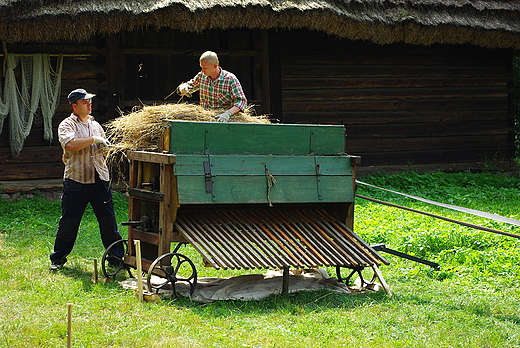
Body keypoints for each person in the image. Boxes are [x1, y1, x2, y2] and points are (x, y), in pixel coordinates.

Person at [49, 88, 123, 271]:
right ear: (74, 106)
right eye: (84, 102)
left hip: (100, 180)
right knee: (69, 222)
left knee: (108, 222)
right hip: (77, 181)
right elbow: (71, 145)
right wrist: (93, 139)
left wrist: (109, 147)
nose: (89, 104)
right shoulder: (67, 125)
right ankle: (57, 260)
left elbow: (103, 150)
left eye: (89, 101)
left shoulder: (96, 125)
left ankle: (116, 258)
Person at [176, 51, 248, 122]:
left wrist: (228, 114)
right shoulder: (201, 76)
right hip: (206, 118)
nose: (202, 70)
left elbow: (241, 102)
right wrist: (182, 88)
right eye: (201, 67)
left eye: (205, 68)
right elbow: (189, 87)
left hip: (223, 120)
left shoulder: (230, 79)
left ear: (215, 66)